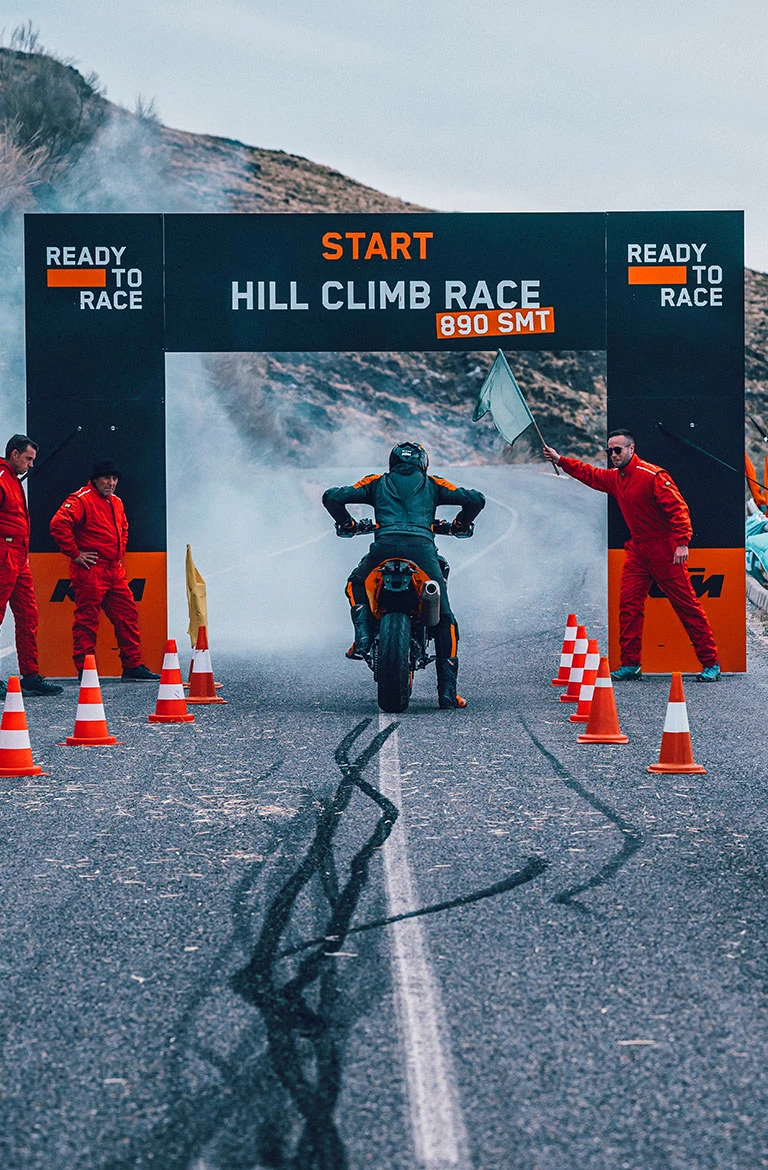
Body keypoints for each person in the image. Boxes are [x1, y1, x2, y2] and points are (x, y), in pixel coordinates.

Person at [542, 430, 721, 682]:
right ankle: (630, 664)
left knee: (687, 606)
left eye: (618, 450)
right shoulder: (616, 478)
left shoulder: (652, 475)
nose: (613, 455)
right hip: (638, 550)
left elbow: (678, 508)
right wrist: (560, 460)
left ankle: (711, 663)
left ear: (631, 449)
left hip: (665, 550)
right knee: (629, 607)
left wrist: (682, 542)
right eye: (610, 451)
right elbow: (589, 474)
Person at [323, 441, 485, 708]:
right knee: (445, 619)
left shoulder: (376, 482)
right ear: (423, 463)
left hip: (383, 548)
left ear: (392, 462)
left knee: (355, 583)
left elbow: (331, 496)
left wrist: (346, 524)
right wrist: (460, 524)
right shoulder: (433, 483)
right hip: (422, 553)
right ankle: (447, 693)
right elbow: (476, 499)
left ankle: (363, 636)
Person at [49, 459, 160, 681]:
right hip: (91, 569)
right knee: (87, 619)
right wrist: (75, 553)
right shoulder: (81, 499)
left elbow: (124, 528)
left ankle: (132, 665)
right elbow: (58, 524)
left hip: (113, 569)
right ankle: (86, 670)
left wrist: (120, 551)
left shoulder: (116, 502)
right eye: (107, 478)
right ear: (95, 479)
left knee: (127, 615)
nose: (111, 482)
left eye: (114, 478)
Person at [0, 434, 63, 698]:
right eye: (28, 459)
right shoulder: (2, 478)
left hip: (18, 557)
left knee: (28, 615)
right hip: (4, 555)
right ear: (14, 454)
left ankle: (31, 676)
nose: (31, 465)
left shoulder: (12, 479)